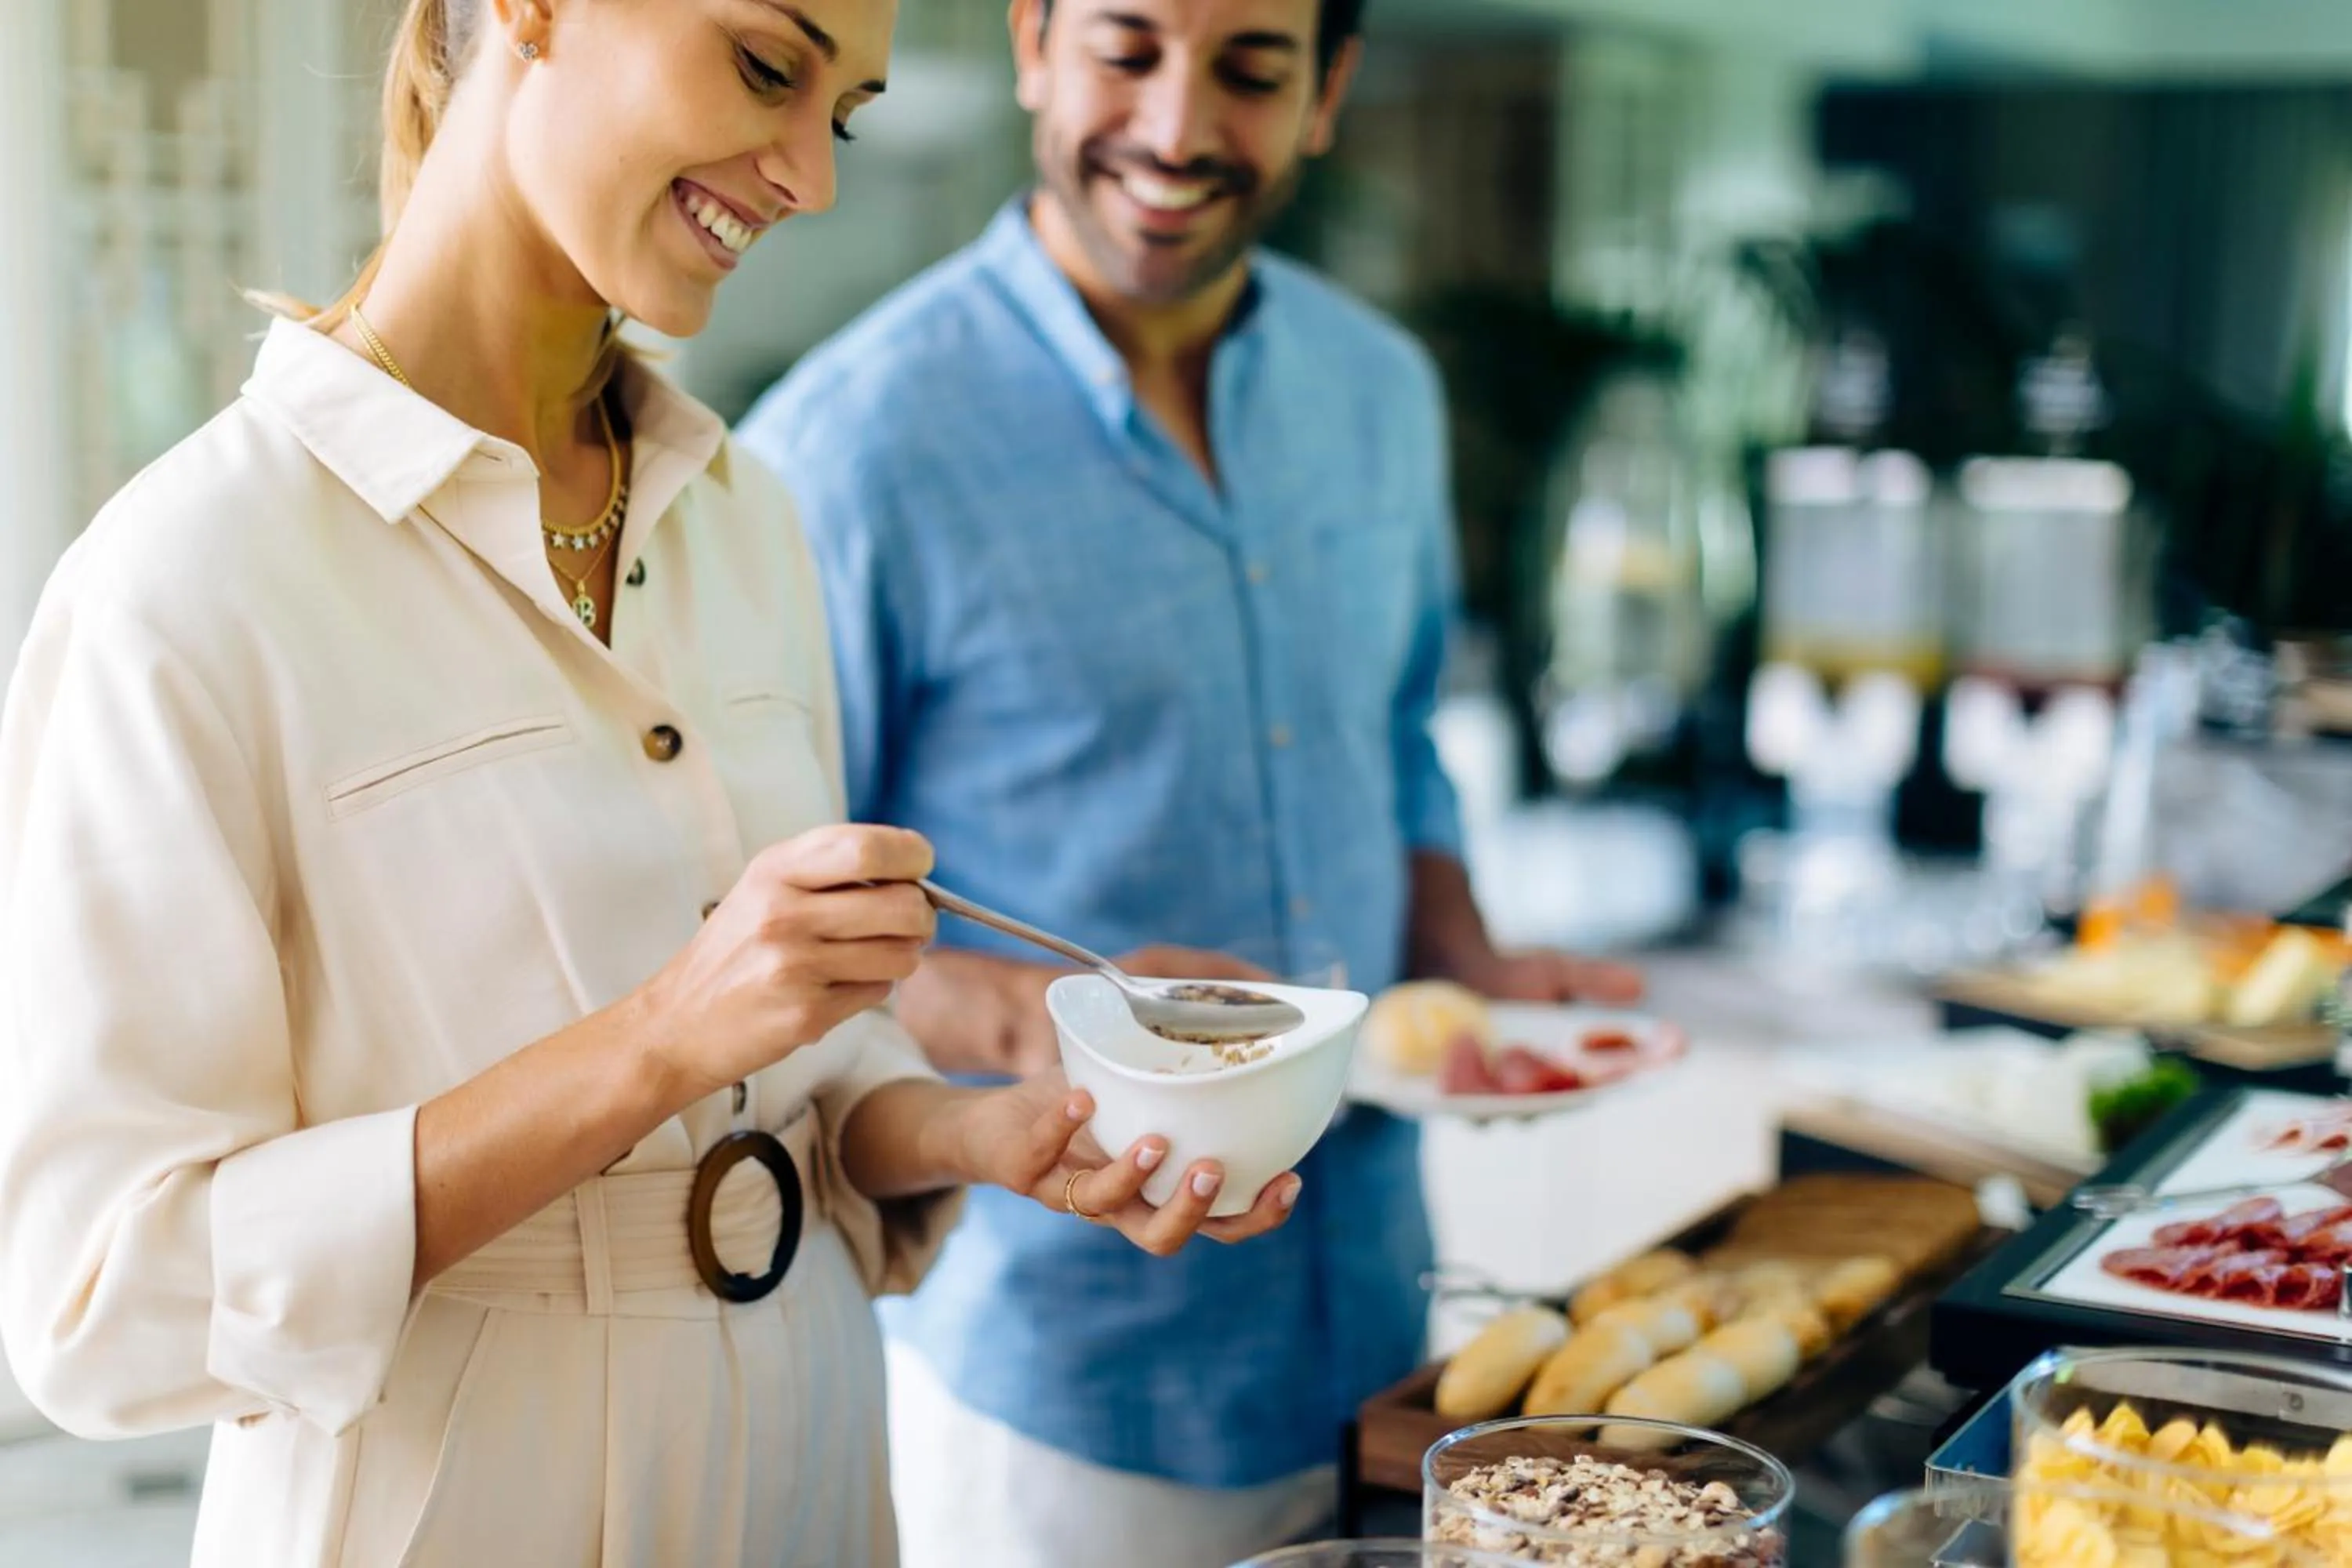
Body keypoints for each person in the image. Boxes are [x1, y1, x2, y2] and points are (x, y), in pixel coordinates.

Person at [0, 2, 1298, 1564]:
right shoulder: (190, 580)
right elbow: (101, 1302)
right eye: (768, 66)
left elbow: (794, 1074)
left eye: (850, 109)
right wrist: (658, 1036)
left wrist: (976, 1132)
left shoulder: (748, 516)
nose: (813, 177)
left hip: (813, 1467)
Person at [735, 1, 1643, 1563]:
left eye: (1251, 68)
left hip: (1383, 1334)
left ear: (1330, 91)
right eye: (1126, 48)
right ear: (1031, 43)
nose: (1175, 129)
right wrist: (1067, 1025)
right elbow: (777, 927)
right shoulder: (850, 447)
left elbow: (1402, 737)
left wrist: (1469, 955)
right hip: (1067, 1395)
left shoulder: (1380, 394)